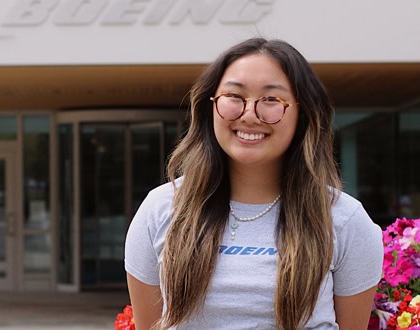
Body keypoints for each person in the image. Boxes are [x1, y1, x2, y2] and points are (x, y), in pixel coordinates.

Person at [124, 38, 383, 330]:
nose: (249, 115)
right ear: (211, 106)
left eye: (271, 100)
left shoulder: (345, 220)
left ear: (302, 114)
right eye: (234, 96)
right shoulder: (160, 210)